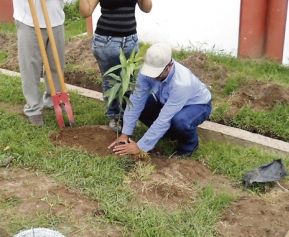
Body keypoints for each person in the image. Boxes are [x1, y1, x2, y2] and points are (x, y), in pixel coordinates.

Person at [108, 43, 212, 158]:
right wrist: (125, 133)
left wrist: (140, 147)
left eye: (158, 74)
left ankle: (189, 147)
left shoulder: (182, 83)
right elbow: (136, 100)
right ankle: (171, 134)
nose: (153, 77)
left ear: (170, 65)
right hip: (167, 101)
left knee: (180, 120)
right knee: (138, 104)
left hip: (197, 105)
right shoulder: (146, 72)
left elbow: (165, 117)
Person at [79, 0, 152, 133]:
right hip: (106, 42)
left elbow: (146, 8)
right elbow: (86, 12)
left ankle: (128, 116)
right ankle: (114, 116)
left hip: (130, 41)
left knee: (128, 81)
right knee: (111, 81)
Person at [13, 0, 65, 126]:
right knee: (30, 67)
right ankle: (34, 108)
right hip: (28, 19)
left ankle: (54, 100)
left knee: (57, 65)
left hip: (56, 18)